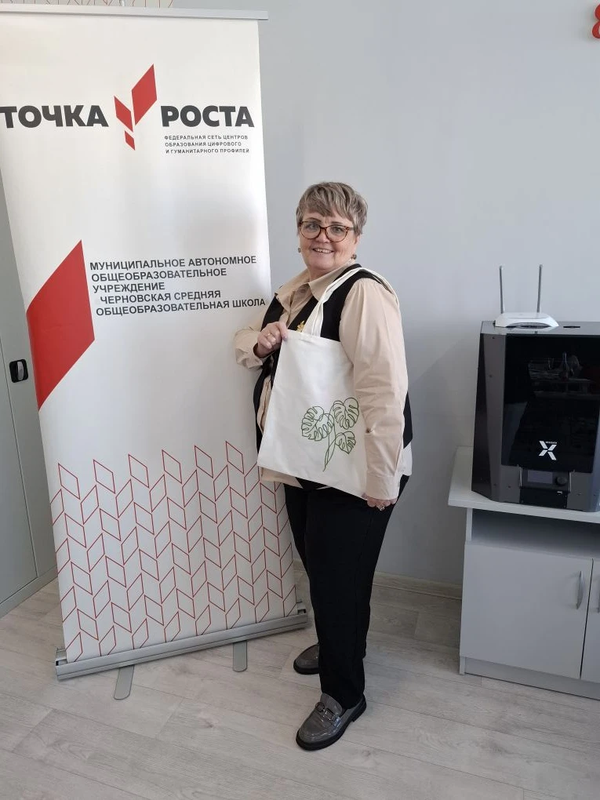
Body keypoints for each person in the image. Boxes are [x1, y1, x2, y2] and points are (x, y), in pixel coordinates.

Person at [234, 181, 412, 750]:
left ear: (356, 237)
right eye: (312, 223)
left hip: (355, 470)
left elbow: (384, 392)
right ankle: (341, 644)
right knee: (324, 570)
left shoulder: (363, 294)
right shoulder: (296, 291)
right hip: (306, 461)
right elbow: (245, 344)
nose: (323, 236)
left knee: (339, 582)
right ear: (298, 231)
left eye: (337, 227)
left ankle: (344, 693)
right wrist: (260, 343)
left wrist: (380, 479)